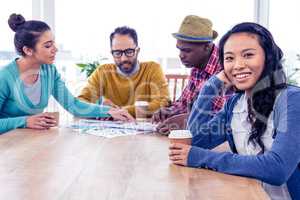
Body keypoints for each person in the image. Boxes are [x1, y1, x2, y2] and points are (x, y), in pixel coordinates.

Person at [169, 22, 300, 199]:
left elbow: (277, 168)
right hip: (248, 194)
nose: (237, 65)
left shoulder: (291, 99)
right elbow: (196, 140)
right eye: (229, 58)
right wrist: (211, 86)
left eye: (248, 55)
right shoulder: (235, 104)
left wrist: (203, 158)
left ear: (268, 58)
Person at [0, 14, 134, 134]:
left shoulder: (49, 72)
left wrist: (109, 111)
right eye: (48, 46)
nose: (55, 49)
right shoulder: (5, 76)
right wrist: (25, 121)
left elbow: (72, 105)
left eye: (53, 43)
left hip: (27, 142)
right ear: (28, 50)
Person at [152, 15, 226, 134]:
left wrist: (189, 120)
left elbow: (227, 116)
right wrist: (170, 111)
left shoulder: (226, 66)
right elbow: (184, 103)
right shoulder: (197, 66)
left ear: (207, 47)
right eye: (179, 49)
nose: (181, 55)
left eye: (187, 50)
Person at [78, 26, 170, 118]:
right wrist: (102, 110)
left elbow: (163, 102)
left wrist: (118, 111)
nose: (124, 58)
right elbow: (81, 101)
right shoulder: (102, 72)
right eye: (117, 53)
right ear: (112, 53)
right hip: (110, 130)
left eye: (129, 52)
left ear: (137, 51)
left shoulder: (152, 69)